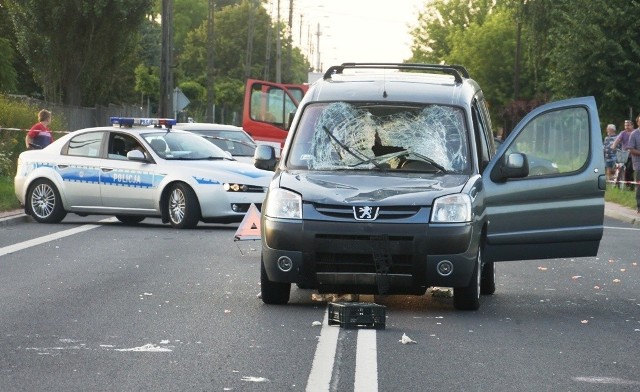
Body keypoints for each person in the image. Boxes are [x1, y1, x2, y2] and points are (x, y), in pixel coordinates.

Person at [611, 119, 635, 189]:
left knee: (628, 170)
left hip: (633, 155)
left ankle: (631, 185)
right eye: (625, 125)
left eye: (628, 125)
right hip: (624, 155)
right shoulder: (623, 133)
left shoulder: (635, 132)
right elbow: (617, 140)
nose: (626, 127)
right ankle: (620, 185)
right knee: (619, 168)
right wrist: (613, 145)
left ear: (632, 125)